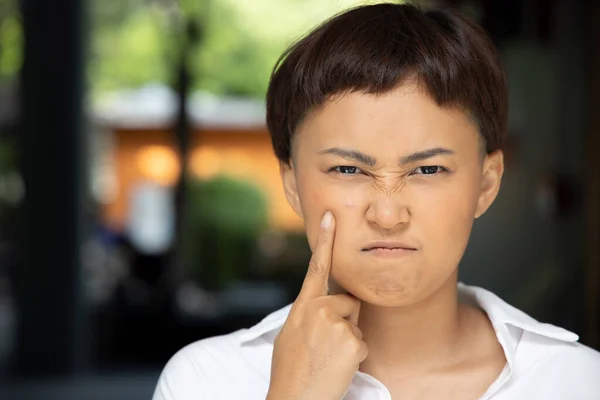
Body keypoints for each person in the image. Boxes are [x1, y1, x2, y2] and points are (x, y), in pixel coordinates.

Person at [153, 3, 600, 399]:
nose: (387, 215)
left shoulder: (576, 380)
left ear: (486, 185)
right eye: (348, 170)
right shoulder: (207, 380)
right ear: (291, 184)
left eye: (428, 170)